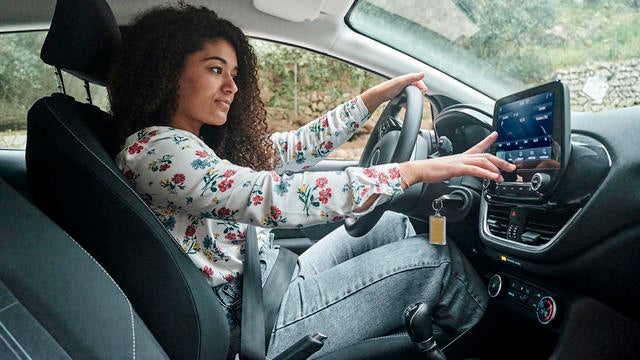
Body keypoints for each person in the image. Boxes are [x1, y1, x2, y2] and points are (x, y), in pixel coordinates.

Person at [108, 4, 515, 358]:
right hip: (257, 322)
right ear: (166, 72)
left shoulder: (186, 143)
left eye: (234, 73)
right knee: (437, 265)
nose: (232, 86)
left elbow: (290, 149)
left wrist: (371, 99)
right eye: (216, 70)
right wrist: (412, 171)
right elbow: (274, 198)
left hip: (265, 283)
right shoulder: (158, 151)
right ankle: (505, 349)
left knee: (390, 221)